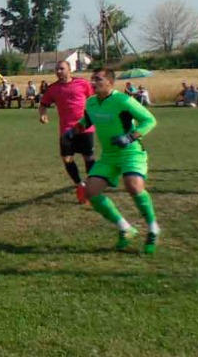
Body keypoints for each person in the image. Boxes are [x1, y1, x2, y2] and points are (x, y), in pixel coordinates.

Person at [74, 68, 160, 253]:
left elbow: (149, 120)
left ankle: (153, 228)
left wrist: (130, 137)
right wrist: (73, 131)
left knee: (134, 186)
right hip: (109, 156)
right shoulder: (91, 102)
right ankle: (125, 228)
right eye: (92, 79)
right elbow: (87, 120)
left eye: (98, 79)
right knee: (91, 191)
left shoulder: (123, 100)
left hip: (131, 152)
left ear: (110, 83)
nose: (93, 82)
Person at [39, 60, 95, 204]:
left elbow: (94, 101)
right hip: (66, 129)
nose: (58, 71)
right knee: (67, 158)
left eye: (61, 69)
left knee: (88, 157)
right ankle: (80, 185)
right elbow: (44, 104)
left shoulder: (83, 84)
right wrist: (43, 114)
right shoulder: (53, 88)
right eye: (57, 69)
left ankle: (93, 185)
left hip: (85, 127)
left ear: (70, 70)